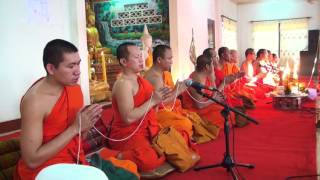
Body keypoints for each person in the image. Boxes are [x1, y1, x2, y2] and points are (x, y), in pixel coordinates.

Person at [15, 39, 103, 180]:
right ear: (51, 69)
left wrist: (86, 125)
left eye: (79, 64)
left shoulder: (74, 89)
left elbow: (78, 140)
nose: (78, 72)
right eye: (71, 66)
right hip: (44, 169)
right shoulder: (35, 101)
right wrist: (75, 128)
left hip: (74, 161)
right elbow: (31, 161)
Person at [108, 42, 174, 175]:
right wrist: (153, 100)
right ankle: (114, 155)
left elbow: (152, 106)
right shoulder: (123, 84)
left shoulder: (140, 80)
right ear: (124, 61)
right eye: (137, 57)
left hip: (147, 127)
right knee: (149, 159)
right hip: (127, 134)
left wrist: (161, 97)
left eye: (141, 56)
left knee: (174, 141)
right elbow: (128, 117)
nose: (141, 59)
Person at [144, 45, 219, 143]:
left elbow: (164, 96)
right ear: (159, 60)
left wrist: (176, 89)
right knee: (186, 123)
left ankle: (187, 136)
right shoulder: (154, 77)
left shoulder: (161, 74)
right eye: (169, 58)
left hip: (171, 108)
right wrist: (178, 90)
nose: (172, 61)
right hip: (157, 113)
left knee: (193, 119)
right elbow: (160, 103)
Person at [181, 55, 236, 129]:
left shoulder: (206, 75)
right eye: (212, 64)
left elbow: (214, 93)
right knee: (228, 115)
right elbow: (199, 105)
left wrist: (214, 80)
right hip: (196, 110)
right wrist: (215, 98)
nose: (214, 66)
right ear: (207, 66)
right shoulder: (196, 79)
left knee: (227, 110)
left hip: (207, 105)